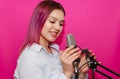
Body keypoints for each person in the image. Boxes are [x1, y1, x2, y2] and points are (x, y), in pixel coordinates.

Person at [14, 0, 92, 79]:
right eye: (52, 21)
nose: (58, 28)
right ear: (39, 21)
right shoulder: (30, 57)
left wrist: (81, 71)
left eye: (61, 24)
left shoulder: (56, 52)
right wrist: (67, 72)